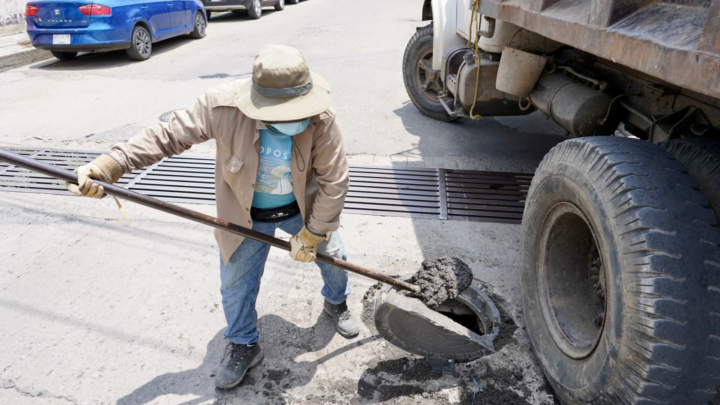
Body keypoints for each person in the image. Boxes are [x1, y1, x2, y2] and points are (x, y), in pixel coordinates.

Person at [65, 44, 359, 390]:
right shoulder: (221, 106)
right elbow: (167, 134)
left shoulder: (321, 117)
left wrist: (313, 234)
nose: (297, 118)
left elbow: (334, 181)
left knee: (335, 258)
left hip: (302, 208)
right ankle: (244, 343)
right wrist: (111, 165)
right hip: (246, 214)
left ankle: (336, 302)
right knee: (235, 285)